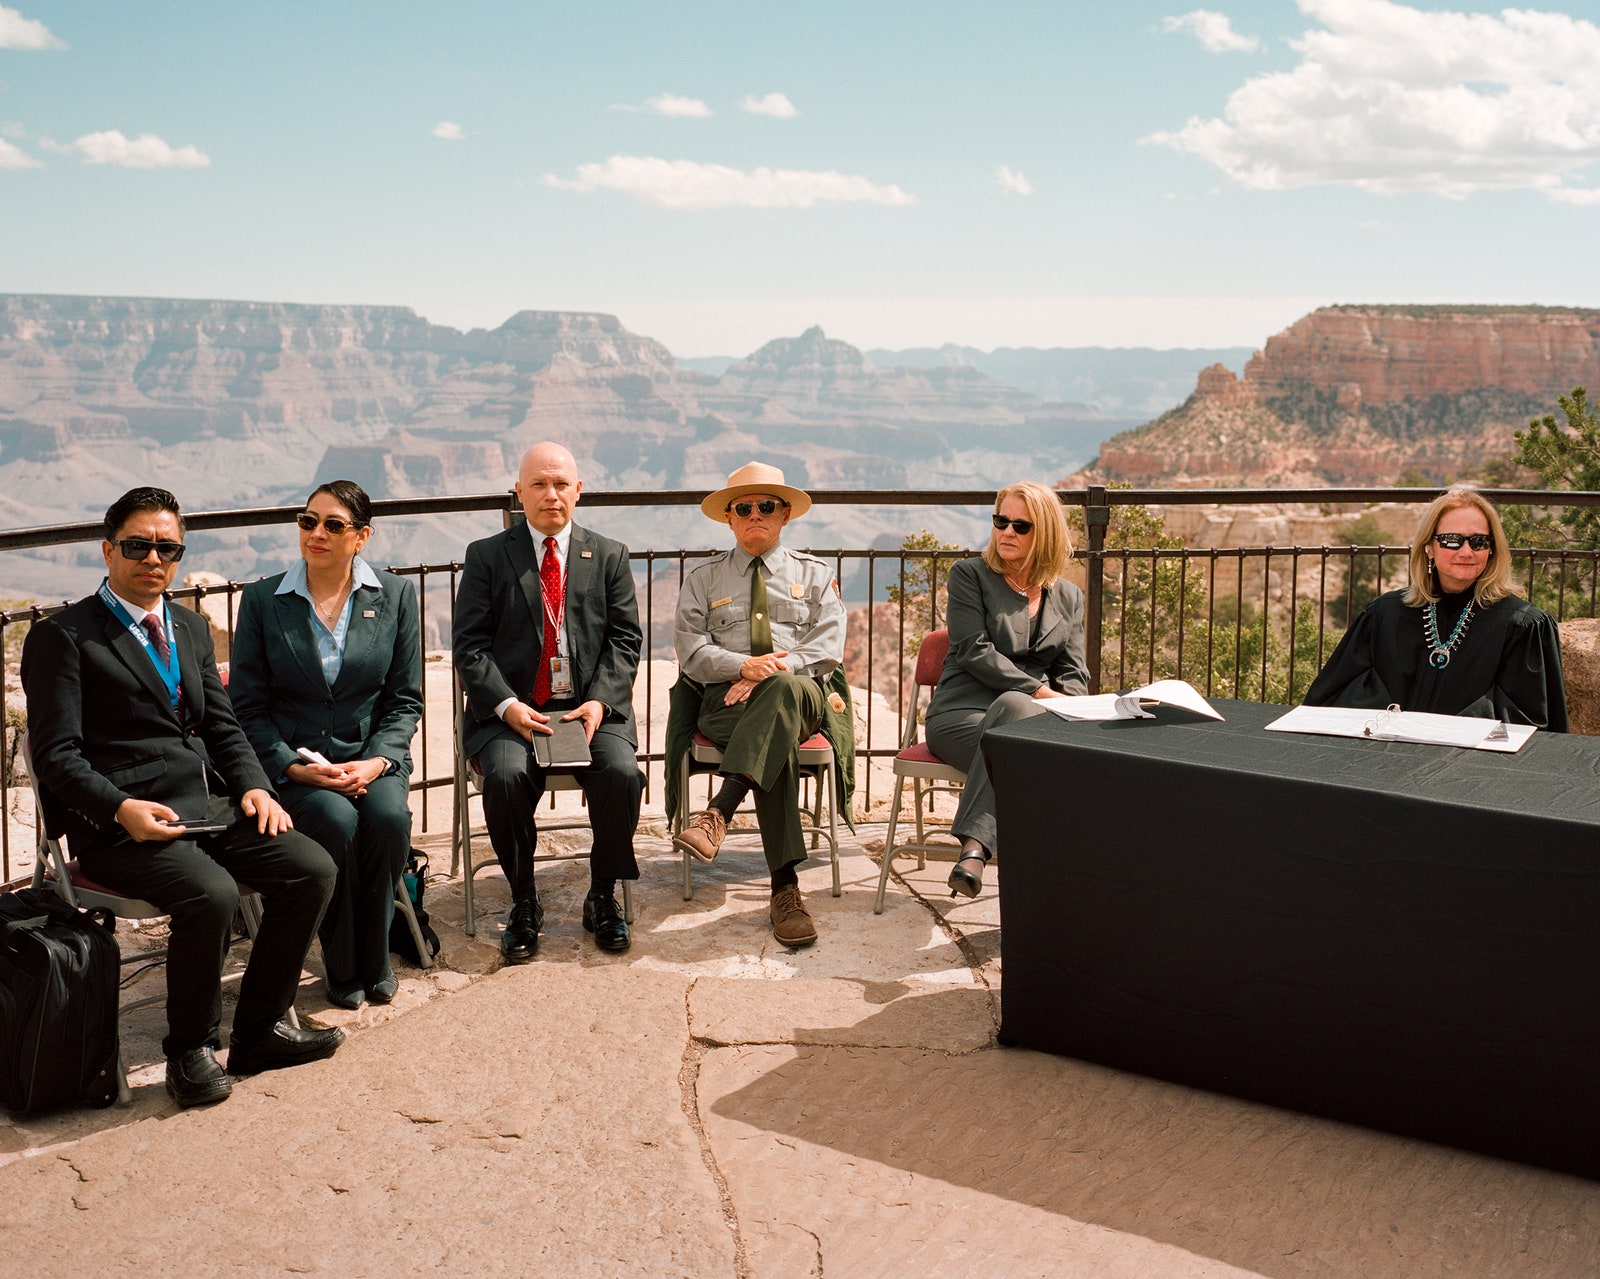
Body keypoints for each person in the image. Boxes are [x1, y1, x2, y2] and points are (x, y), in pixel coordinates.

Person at [20, 487, 343, 1109]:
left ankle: (260, 1032)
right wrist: (120, 809)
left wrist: (254, 786)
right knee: (212, 894)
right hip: (122, 824)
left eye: (168, 548)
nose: (153, 559)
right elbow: (57, 755)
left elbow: (222, 725)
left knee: (311, 868)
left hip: (207, 807)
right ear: (109, 550)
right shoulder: (64, 637)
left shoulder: (189, 627)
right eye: (139, 546)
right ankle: (190, 1051)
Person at [229, 481, 424, 1010]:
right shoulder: (264, 601)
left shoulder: (396, 596)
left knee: (388, 820)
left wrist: (379, 759)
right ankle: (343, 963)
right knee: (334, 822)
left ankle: (376, 954)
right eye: (307, 520)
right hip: (297, 766)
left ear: (362, 536)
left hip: (371, 757)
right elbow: (246, 706)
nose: (316, 533)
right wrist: (289, 767)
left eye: (333, 525)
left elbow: (405, 700)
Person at [452, 442, 643, 959]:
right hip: (513, 711)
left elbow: (625, 640)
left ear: (578, 491)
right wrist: (507, 706)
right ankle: (524, 898)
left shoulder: (609, 555)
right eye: (538, 484)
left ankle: (602, 896)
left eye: (561, 484)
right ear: (519, 492)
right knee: (509, 777)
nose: (551, 495)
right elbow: (469, 648)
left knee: (622, 774)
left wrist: (601, 702)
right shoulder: (488, 556)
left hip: (588, 711)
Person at [672, 461, 850, 948]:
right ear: (728, 518)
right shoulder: (703, 579)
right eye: (744, 508)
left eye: (766, 507)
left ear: (785, 514)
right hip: (723, 701)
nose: (756, 515)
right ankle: (785, 891)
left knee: (783, 694)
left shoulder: (816, 576)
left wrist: (768, 671)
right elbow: (690, 649)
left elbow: (828, 645)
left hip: (802, 692)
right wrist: (740, 666)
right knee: (778, 734)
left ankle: (719, 811)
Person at [924, 481, 1090, 898]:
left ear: (1046, 533)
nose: (1007, 533)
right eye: (1001, 521)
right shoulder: (969, 576)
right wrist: (1040, 693)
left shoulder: (1069, 596)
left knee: (1027, 751)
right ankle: (1055, 887)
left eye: (1021, 525)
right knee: (1024, 730)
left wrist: (1075, 711)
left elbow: (1073, 671)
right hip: (963, 715)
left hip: (1038, 721)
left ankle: (975, 851)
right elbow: (973, 651)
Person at [1304, 487, 1568, 729]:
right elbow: (1329, 702)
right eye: (1452, 540)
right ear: (1429, 547)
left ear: (1492, 550)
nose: (1466, 552)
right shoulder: (1384, 615)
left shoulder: (1522, 626)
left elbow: (1529, 727)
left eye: (1478, 542)